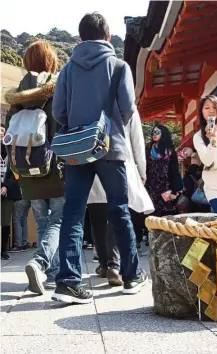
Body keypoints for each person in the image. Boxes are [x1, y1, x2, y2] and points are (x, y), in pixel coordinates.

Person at [52, 12, 147, 304]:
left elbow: (58, 113)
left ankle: (68, 282)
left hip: (77, 150)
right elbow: (128, 109)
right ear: (107, 36)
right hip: (112, 146)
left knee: (73, 213)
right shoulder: (119, 67)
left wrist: (79, 126)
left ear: (80, 38)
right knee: (119, 210)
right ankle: (131, 276)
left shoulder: (67, 70)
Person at [4, 41, 66, 293]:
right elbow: (64, 128)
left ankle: (49, 274)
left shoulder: (16, 99)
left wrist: (16, 171)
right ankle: (41, 264)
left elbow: (8, 137)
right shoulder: (58, 91)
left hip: (27, 171)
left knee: (42, 222)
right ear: (51, 62)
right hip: (55, 167)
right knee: (59, 220)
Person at [87, 108, 154, 286]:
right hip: (119, 163)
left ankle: (104, 265)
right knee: (117, 214)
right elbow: (137, 142)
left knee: (97, 218)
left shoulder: (87, 98)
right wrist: (142, 170)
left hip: (91, 166)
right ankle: (114, 266)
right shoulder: (124, 102)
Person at [146, 124, 183, 216]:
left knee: (165, 215)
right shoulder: (148, 149)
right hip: (150, 187)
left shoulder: (170, 151)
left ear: (164, 134)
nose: (155, 134)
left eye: (157, 132)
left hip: (165, 187)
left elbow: (174, 171)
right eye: (153, 132)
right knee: (150, 214)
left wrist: (174, 190)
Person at [1, 129, 22, 260]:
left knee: (4, 222)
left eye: (3, 132)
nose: (0, 134)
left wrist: (5, 186)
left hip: (7, 192)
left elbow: (16, 172)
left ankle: (3, 250)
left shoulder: (12, 152)